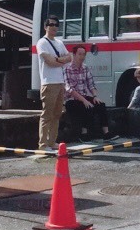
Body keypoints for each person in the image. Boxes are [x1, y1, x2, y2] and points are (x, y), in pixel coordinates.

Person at [35, 16, 71, 152]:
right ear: (45, 27)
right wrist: (61, 60)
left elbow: (69, 57)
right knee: (47, 114)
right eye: (51, 24)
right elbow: (49, 62)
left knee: (57, 114)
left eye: (56, 25)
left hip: (60, 82)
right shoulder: (42, 43)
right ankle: (43, 144)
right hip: (48, 83)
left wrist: (58, 59)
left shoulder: (59, 42)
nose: (54, 27)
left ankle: (52, 142)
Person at [63, 44, 110, 142]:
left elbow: (91, 84)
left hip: (84, 96)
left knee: (101, 105)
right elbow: (69, 89)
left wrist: (95, 96)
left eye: (84, 54)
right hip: (71, 100)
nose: (82, 57)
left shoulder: (85, 68)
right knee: (86, 106)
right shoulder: (67, 69)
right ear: (74, 55)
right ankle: (84, 134)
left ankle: (106, 133)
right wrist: (84, 100)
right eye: (79, 54)